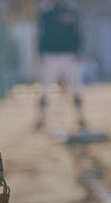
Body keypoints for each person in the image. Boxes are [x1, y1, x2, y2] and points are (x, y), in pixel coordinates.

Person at [35, 0, 86, 131]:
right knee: (45, 89)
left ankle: (80, 117)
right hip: (51, 54)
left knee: (76, 88)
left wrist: (79, 50)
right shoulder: (46, 12)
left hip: (70, 55)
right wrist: (40, 52)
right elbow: (41, 33)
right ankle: (41, 119)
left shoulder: (72, 10)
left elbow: (78, 31)